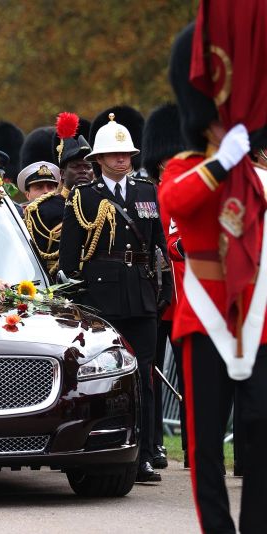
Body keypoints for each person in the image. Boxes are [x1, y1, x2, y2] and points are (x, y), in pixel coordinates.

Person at [159, 22, 267, 533]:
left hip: (257, 317)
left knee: (260, 426)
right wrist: (222, 165)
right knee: (204, 444)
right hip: (205, 320)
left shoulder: (259, 176)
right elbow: (176, 202)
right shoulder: (184, 167)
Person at [59, 112, 170, 483]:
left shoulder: (146, 191)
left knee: (144, 376)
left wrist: (163, 291)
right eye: (114, 154)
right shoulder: (84, 197)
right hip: (102, 296)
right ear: (100, 159)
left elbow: (158, 247)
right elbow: (69, 260)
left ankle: (146, 454)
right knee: (106, 378)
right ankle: (106, 448)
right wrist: (79, 301)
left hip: (141, 294)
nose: (122, 159)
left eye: (126, 154)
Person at [142, 102, 187, 471]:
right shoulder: (148, 195)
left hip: (183, 297)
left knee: (191, 377)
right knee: (152, 374)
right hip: (156, 297)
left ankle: (193, 445)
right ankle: (154, 443)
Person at [18, 161, 62, 275]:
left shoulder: (67, 211)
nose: (46, 191)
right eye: (39, 187)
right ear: (27, 195)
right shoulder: (19, 220)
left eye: (51, 187)